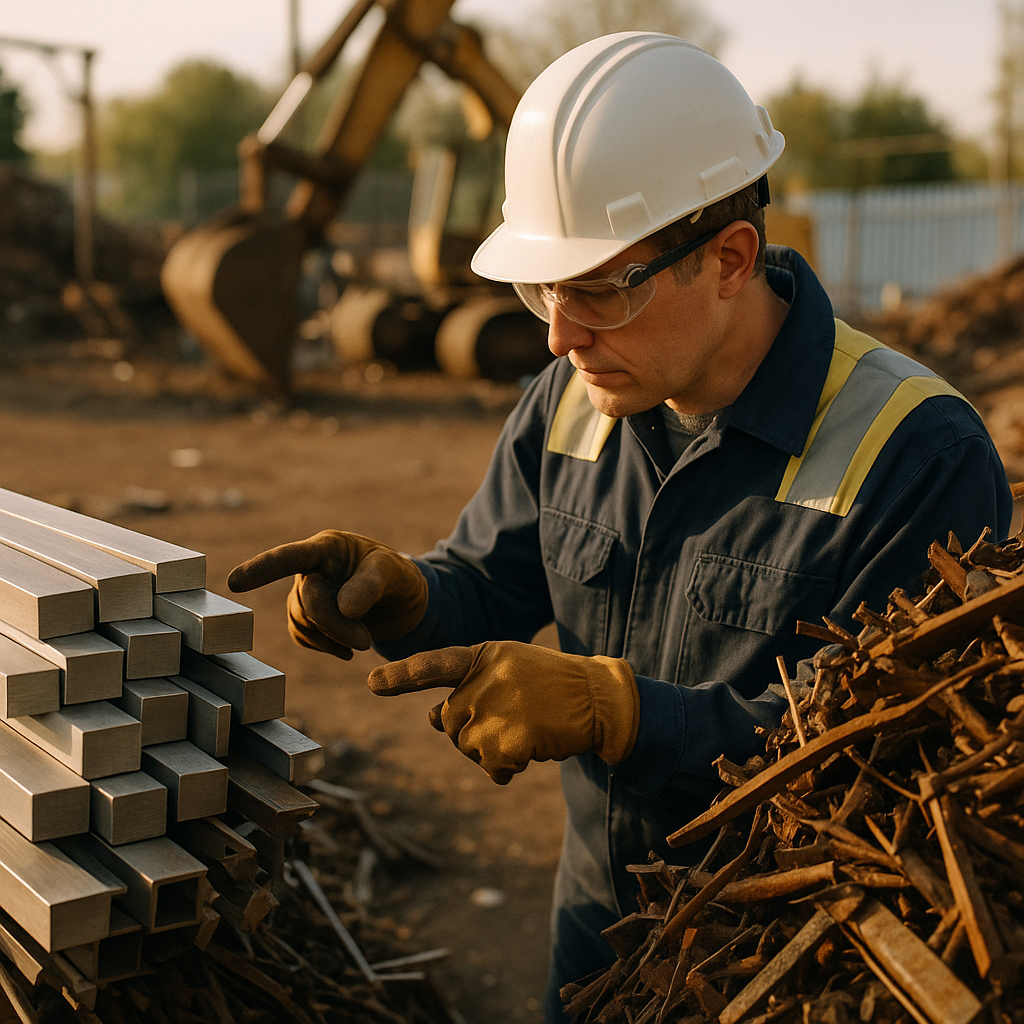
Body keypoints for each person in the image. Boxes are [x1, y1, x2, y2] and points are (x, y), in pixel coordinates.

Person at [228, 32, 1013, 1021]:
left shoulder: (916, 456)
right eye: (543, 289)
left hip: (797, 966)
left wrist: (624, 713)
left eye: (599, 289)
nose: (559, 333)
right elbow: (498, 578)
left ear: (730, 258)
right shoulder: (570, 396)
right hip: (598, 936)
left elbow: (898, 771)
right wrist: (411, 597)